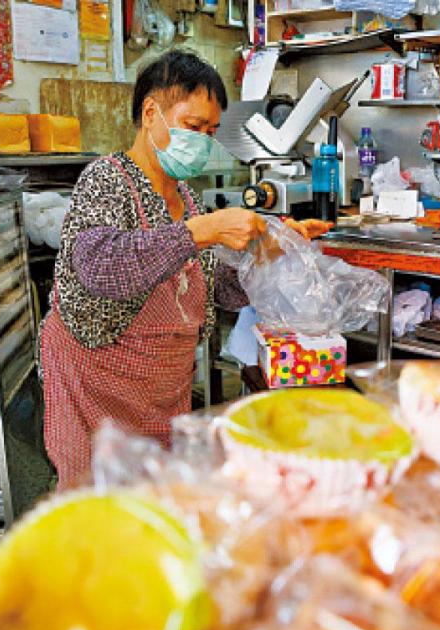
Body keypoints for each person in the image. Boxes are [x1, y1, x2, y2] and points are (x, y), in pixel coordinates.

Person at [40, 50, 325, 488]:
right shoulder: (106, 179)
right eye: (194, 127)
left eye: (211, 132)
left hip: (162, 385)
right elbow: (100, 267)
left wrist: (270, 252)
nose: (204, 141)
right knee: (96, 499)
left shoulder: (188, 199)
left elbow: (212, 290)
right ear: (151, 113)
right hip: (97, 383)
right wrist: (201, 231)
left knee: (154, 496)